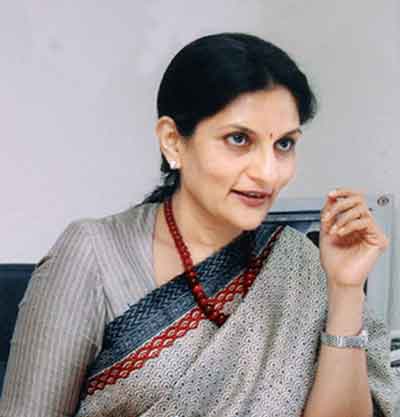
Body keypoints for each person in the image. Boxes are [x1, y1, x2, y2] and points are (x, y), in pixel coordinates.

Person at [0, 32, 398, 417]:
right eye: (239, 139)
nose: (268, 172)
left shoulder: (298, 264)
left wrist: (345, 291)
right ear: (173, 140)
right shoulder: (94, 254)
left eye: (284, 144)